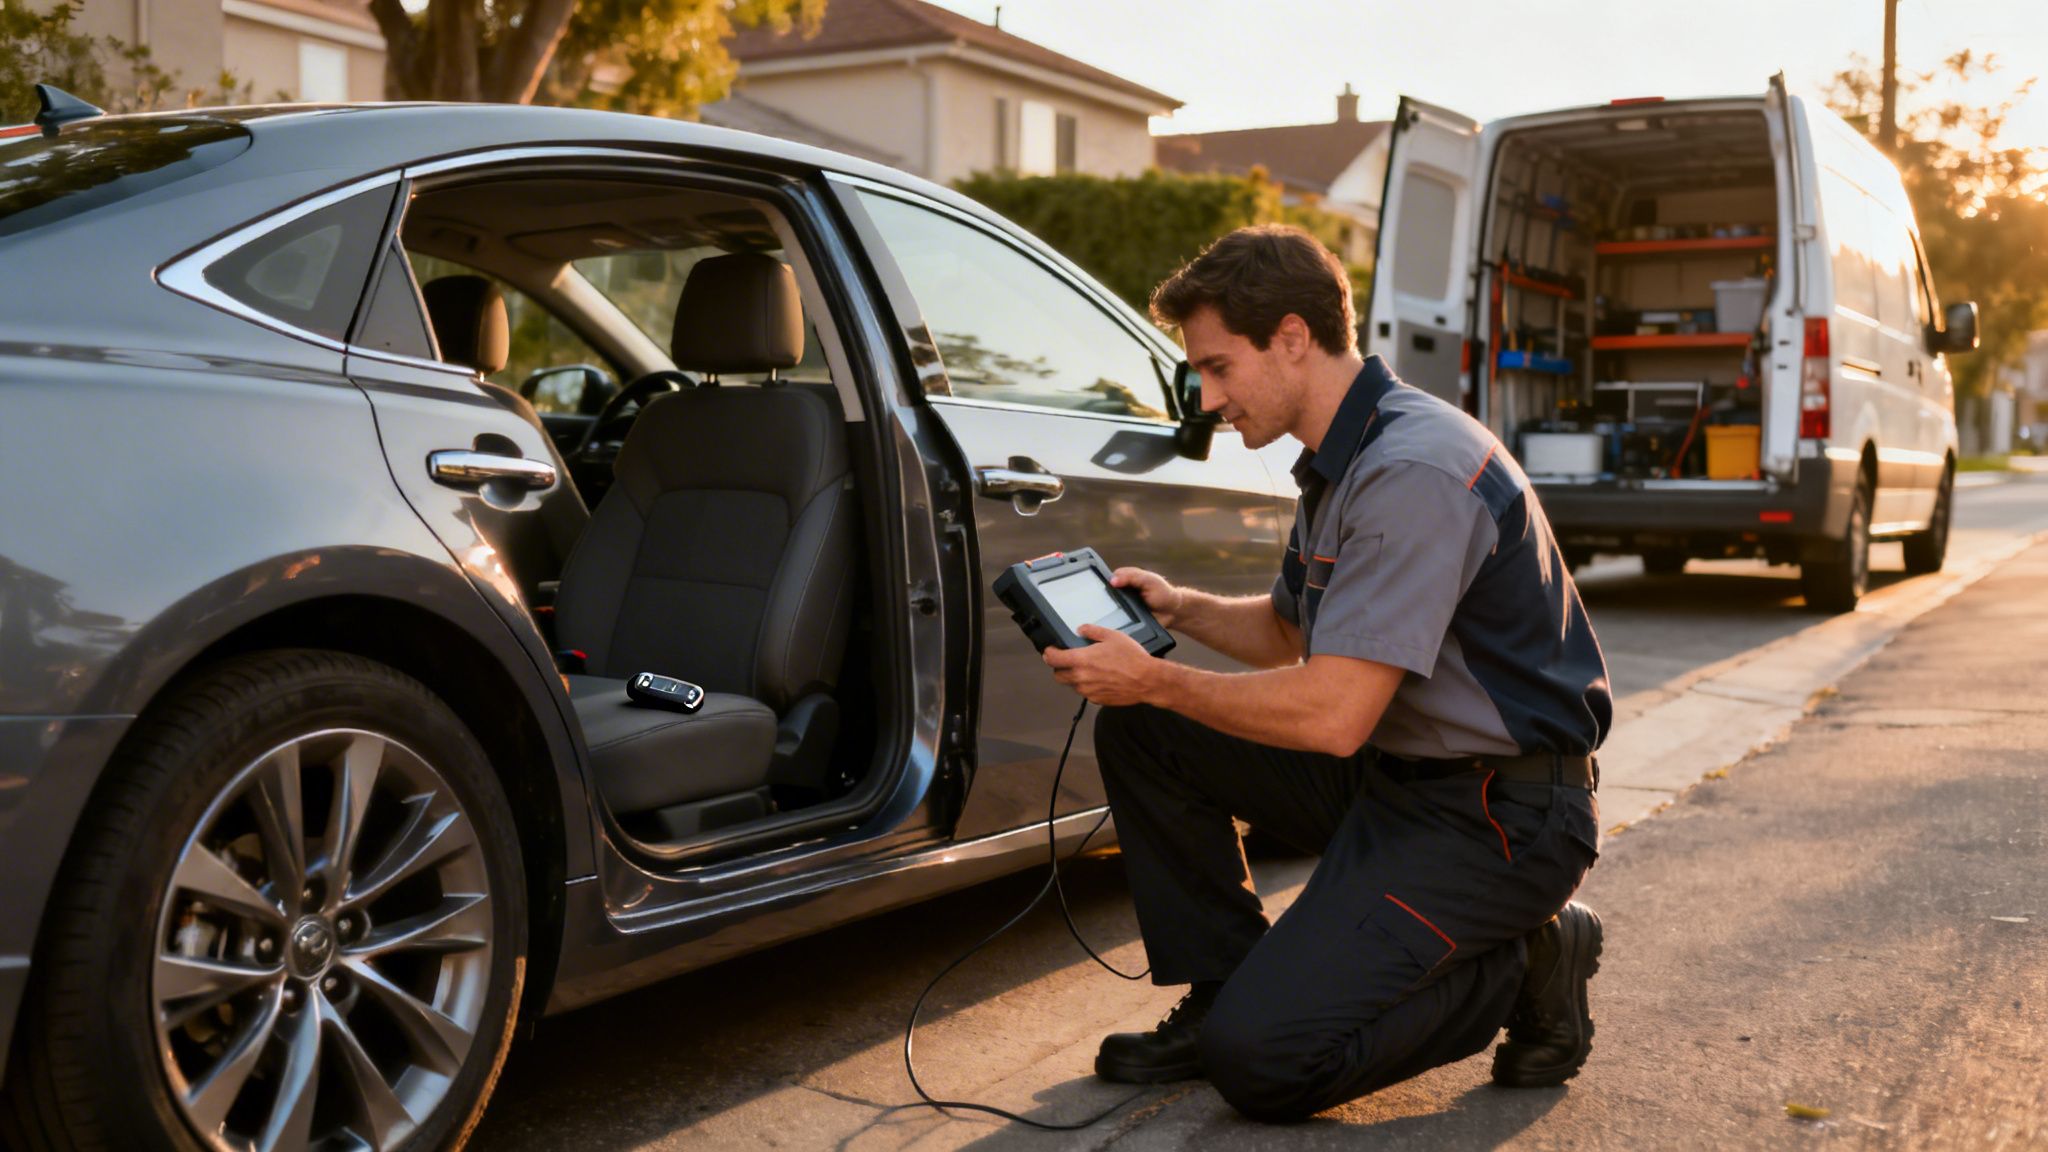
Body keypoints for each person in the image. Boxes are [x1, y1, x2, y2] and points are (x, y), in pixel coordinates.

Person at [1041, 225, 1610, 1121]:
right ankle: (1222, 989)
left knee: (1268, 1063)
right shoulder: (1344, 460)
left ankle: (1526, 960)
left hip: (1500, 818)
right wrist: (1177, 608)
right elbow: (1284, 634)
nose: (1209, 398)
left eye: (1221, 368)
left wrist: (1157, 677)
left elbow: (1335, 712)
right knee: (1149, 732)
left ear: (1294, 338)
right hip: (1395, 781)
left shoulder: (1412, 469)